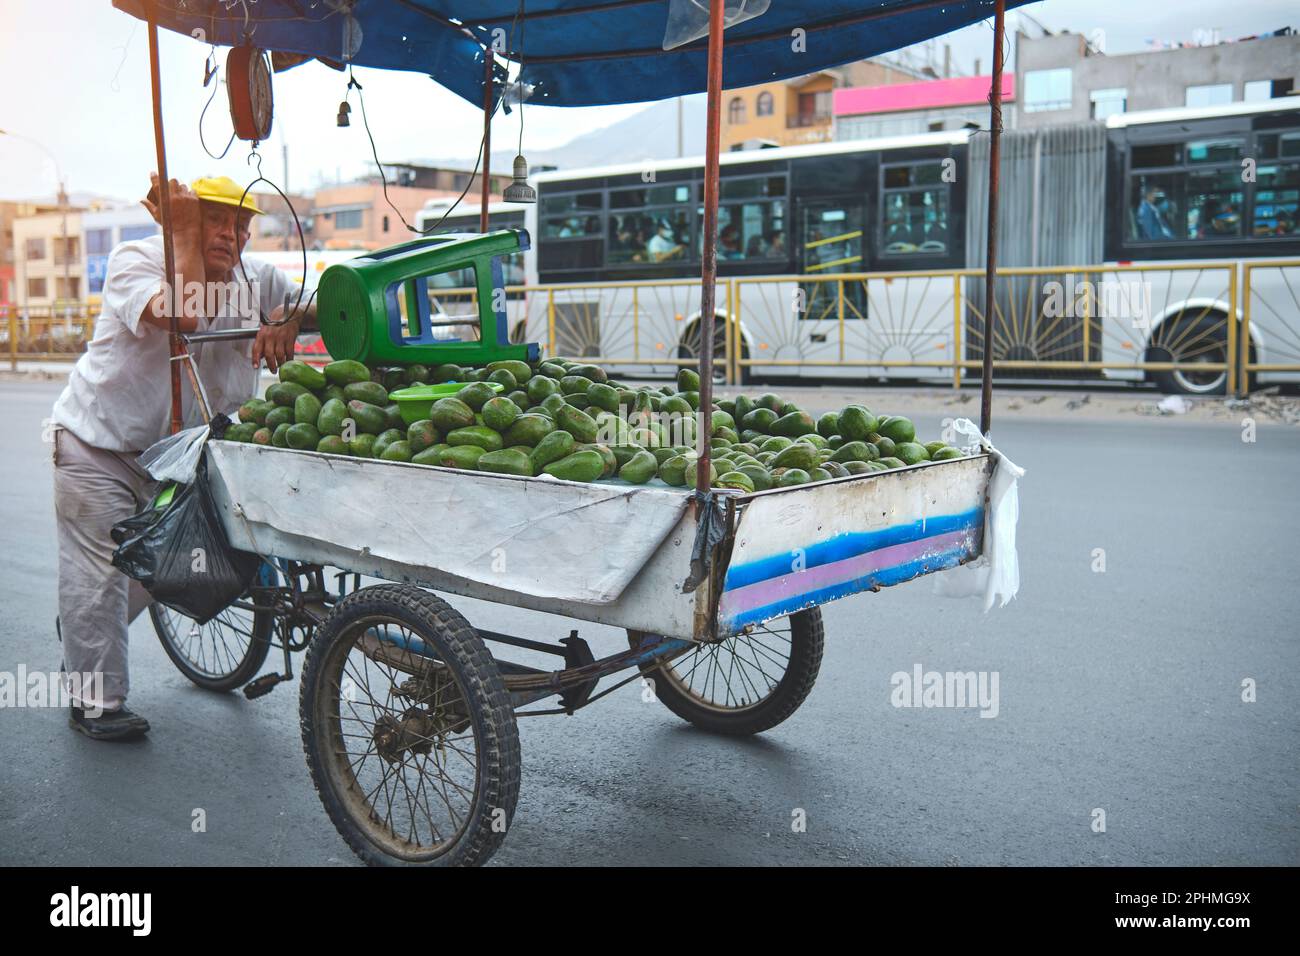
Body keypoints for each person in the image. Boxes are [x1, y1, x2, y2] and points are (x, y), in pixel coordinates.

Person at [50, 174, 315, 740]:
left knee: (169, 562)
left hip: (178, 457)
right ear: (183, 224)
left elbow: (310, 303)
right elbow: (184, 314)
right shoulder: (135, 262)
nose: (232, 235)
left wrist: (287, 319)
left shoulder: (256, 278)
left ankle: (85, 630)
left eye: (240, 225)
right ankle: (95, 702)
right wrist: (180, 236)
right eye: (215, 221)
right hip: (99, 448)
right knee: (98, 579)